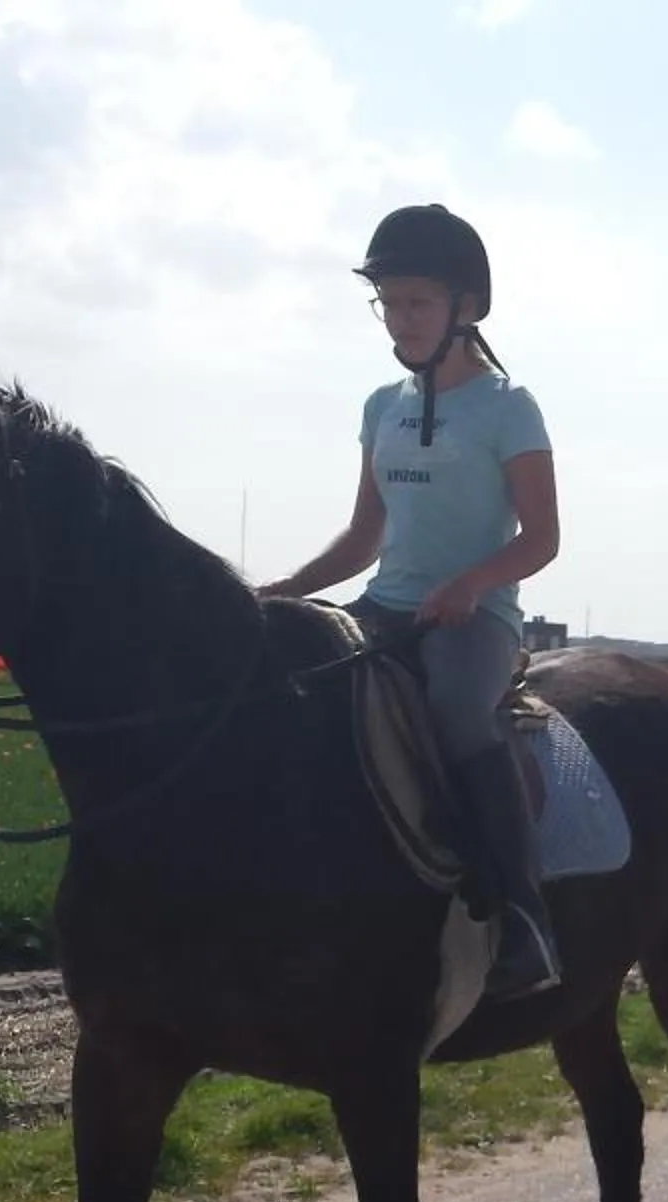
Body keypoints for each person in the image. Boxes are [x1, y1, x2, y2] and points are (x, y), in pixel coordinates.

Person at [256, 203, 564, 1000]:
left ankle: (523, 919)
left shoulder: (509, 406)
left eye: (416, 302)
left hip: (477, 619)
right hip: (384, 607)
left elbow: (542, 539)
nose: (399, 319)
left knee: (461, 716)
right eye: (388, 302)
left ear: (465, 307)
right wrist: (286, 591)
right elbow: (364, 537)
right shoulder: (379, 407)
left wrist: (469, 585)